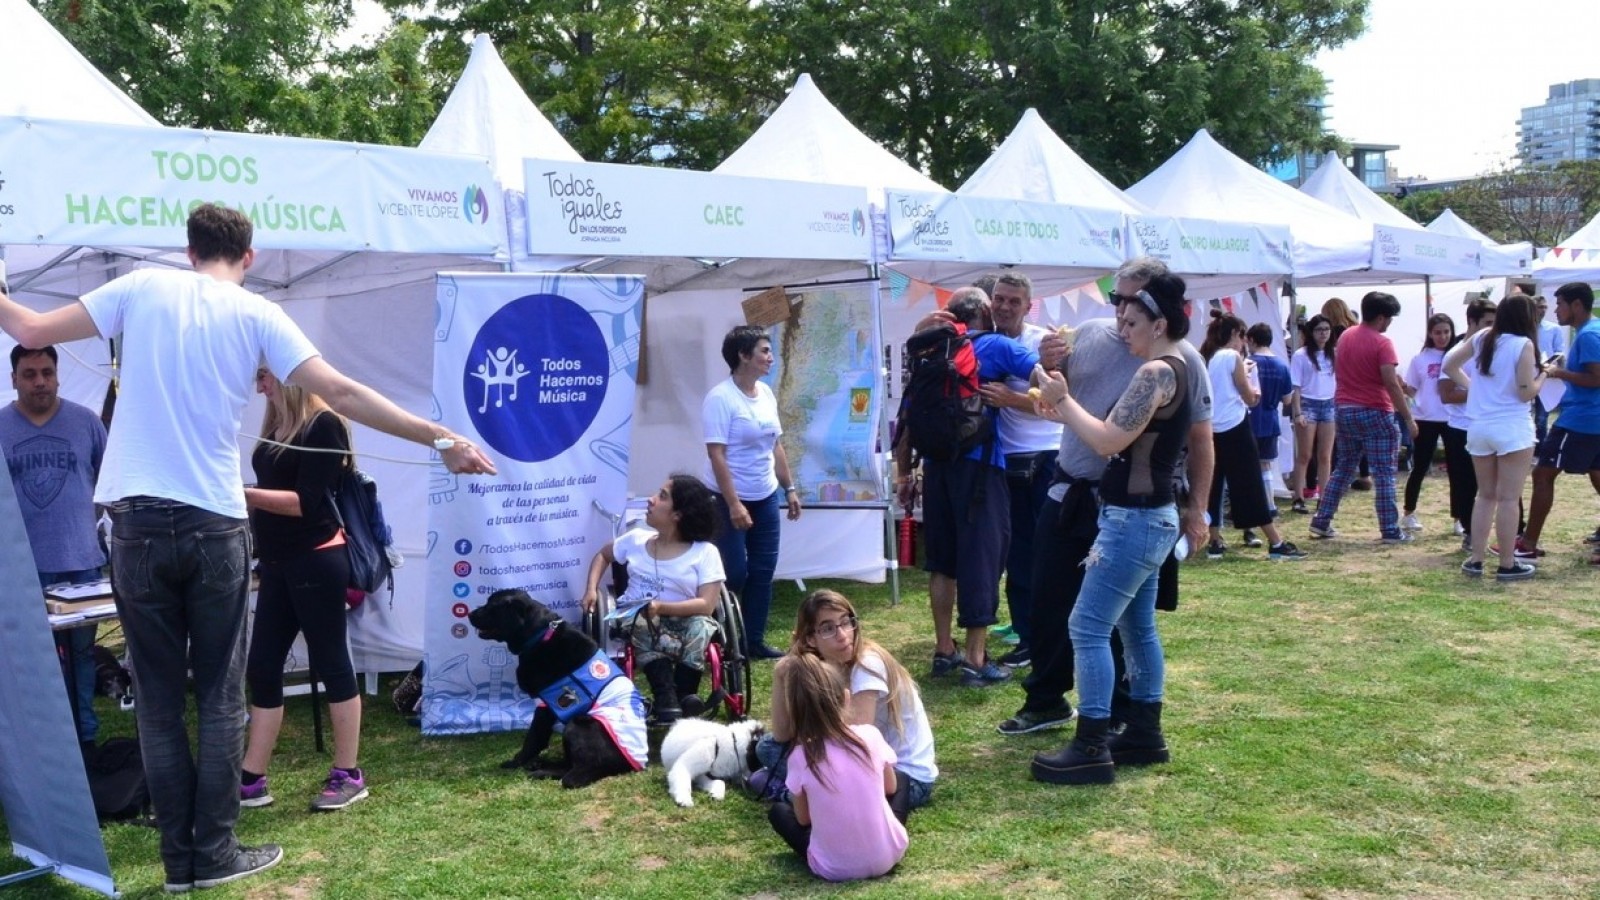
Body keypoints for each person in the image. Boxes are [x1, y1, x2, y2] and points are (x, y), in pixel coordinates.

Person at [0, 203, 496, 893]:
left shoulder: (141, 286)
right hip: (212, 522)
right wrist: (443, 440)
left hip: (138, 523)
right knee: (222, 697)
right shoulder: (259, 314)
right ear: (250, 256)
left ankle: (182, 865)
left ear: (188, 249)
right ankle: (217, 854)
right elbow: (343, 392)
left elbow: (24, 327)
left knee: (160, 701)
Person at [997, 259, 1212, 738]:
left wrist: (1197, 509)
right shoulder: (1101, 337)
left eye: (1132, 306)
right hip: (1079, 491)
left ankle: (1108, 726)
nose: (1120, 314)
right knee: (1060, 605)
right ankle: (1106, 717)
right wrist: (1051, 366)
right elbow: (1052, 401)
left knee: (1100, 625)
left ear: (1158, 316)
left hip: (1130, 509)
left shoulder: (1166, 365)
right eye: (1118, 301)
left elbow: (1118, 440)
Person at [1028, 277, 1194, 786]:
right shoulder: (1179, 366)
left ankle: (1091, 744)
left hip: (1134, 519)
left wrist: (1061, 398)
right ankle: (1144, 731)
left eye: (1131, 323)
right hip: (1148, 516)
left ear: (1158, 325)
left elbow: (1105, 440)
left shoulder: (1156, 371)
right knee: (1136, 628)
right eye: (1120, 321)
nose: (1122, 331)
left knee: (1087, 627)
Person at [896, 287, 1064, 687]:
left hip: (935, 467)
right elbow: (1043, 381)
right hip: (981, 469)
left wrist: (905, 474)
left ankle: (944, 649)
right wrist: (1049, 378)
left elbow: (906, 416)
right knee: (983, 560)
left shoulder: (928, 351)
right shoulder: (996, 345)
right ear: (985, 312)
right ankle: (975, 658)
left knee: (942, 562)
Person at [239, 371, 368, 812]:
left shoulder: (324, 425)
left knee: (331, 661)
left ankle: (348, 773)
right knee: (262, 665)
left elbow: (305, 502)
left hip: (316, 557)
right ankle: (252, 777)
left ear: (285, 376)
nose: (259, 388)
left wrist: (247, 495)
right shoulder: (277, 426)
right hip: (276, 562)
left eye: (264, 378)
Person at [0, 343, 108, 753]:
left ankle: (85, 738)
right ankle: (44, 742)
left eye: (47, 371)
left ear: (57, 373)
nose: (40, 381)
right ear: (13, 379)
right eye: (30, 374)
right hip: (22, 568)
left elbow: (111, 481)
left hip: (82, 564)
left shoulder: (86, 423)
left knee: (82, 656)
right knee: (31, 662)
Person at [762, 590, 936, 821]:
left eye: (846, 622)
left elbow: (854, 738)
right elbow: (783, 735)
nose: (843, 635)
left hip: (905, 780)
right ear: (810, 639)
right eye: (828, 628)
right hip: (860, 763)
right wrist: (781, 674)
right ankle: (799, 790)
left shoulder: (867, 664)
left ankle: (791, 793)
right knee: (768, 747)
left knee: (794, 756)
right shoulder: (826, 667)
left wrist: (807, 741)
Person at [580, 474, 726, 723]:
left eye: (662, 496)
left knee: (702, 627)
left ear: (678, 515)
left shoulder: (705, 553)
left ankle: (684, 696)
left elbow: (707, 604)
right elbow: (603, 555)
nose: (651, 499)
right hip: (638, 615)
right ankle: (665, 697)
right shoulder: (636, 540)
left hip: (687, 617)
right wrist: (591, 588)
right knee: (640, 624)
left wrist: (661, 607)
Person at [974, 272, 1060, 669]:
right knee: (1016, 554)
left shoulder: (1041, 343)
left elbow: (1060, 401)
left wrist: (1011, 398)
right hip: (1004, 463)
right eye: (1000, 299)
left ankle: (1048, 632)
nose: (1005, 306)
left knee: (1046, 552)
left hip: (1045, 458)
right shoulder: (980, 340)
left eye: (1013, 301)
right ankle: (1027, 635)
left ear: (1028, 306)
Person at [703, 326, 801, 660]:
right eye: (763, 350)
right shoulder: (721, 398)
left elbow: (775, 444)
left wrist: (789, 489)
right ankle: (722, 640)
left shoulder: (766, 394)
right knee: (733, 573)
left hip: (765, 496)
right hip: (726, 498)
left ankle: (753, 641)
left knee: (762, 570)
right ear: (743, 356)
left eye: (769, 350)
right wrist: (732, 504)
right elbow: (716, 455)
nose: (770, 357)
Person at [765, 653, 908, 882]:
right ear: (846, 697)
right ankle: (881, 837)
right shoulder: (870, 735)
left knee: (779, 812)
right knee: (902, 779)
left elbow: (803, 820)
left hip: (834, 869)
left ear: (797, 714)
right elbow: (890, 788)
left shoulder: (800, 756)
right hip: (888, 857)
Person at [1443, 295, 1544, 580]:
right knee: (1509, 499)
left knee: (1484, 495)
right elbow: (1526, 391)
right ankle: (1507, 563)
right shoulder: (1523, 344)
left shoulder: (1484, 337)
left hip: (1479, 426)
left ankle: (1476, 559)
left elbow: (1449, 365)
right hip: (1512, 427)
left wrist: (1473, 387)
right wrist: (1545, 374)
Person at [1308, 291, 1419, 544]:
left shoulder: (1347, 335)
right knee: (1384, 473)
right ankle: (1390, 529)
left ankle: (1322, 520)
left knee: (1343, 469)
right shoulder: (1382, 343)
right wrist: (1408, 418)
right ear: (1381, 318)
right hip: (1375, 410)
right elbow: (1391, 384)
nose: (1390, 322)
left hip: (1345, 410)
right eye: (1389, 318)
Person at [1199, 314, 1306, 561]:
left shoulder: (1207, 357)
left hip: (1211, 428)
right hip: (1236, 426)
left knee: (1214, 484)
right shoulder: (1233, 357)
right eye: (1242, 336)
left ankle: (1215, 540)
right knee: (1250, 484)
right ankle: (1276, 542)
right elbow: (1249, 397)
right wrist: (1248, 378)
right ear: (1235, 335)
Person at [1516, 282, 1600, 564]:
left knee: (1542, 475)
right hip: (1591, 418)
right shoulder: (1591, 331)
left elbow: (1596, 378)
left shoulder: (1588, 335)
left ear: (1576, 305)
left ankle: (1528, 543)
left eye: (1560, 304)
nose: (1555, 310)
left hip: (1581, 419)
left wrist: (1559, 373)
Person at [1440, 299, 1496, 549]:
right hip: (1461, 427)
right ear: (1471, 322)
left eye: (1495, 323)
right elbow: (1446, 394)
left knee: (1504, 483)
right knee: (1465, 484)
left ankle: (1516, 532)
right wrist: (1481, 391)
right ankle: (1470, 531)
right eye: (1487, 323)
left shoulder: (1497, 348)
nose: (1492, 328)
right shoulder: (1458, 352)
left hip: (1491, 424)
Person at [1400, 314, 1457, 532]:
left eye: (1446, 331)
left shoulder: (1457, 355)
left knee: (1457, 470)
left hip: (1453, 418)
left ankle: (1458, 517)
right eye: (1437, 332)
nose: (1442, 336)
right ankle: (1409, 512)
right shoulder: (1420, 358)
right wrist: (1401, 386)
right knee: (1420, 467)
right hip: (1426, 417)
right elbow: (1412, 390)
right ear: (1430, 334)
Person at [1246, 323, 1296, 527]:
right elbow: (1287, 400)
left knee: (1247, 466)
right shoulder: (1282, 365)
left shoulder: (1247, 363)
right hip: (1270, 419)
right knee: (1266, 464)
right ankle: (1269, 504)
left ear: (1252, 340)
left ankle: (1251, 505)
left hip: (1249, 419)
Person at [1289, 315, 1337, 514]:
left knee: (1325, 455)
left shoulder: (1334, 353)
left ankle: (1324, 497)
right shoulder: (1301, 355)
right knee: (1305, 454)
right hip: (1308, 404)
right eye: (1319, 329)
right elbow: (1296, 387)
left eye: (1326, 329)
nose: (1323, 333)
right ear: (1311, 332)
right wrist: (1298, 412)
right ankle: (1298, 496)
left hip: (1329, 404)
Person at [1532, 294, 1568, 443]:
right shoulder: (1523, 328)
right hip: (1526, 374)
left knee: (1542, 416)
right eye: (1540, 307)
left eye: (1545, 307)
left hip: (1545, 375)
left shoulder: (1553, 328)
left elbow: (1560, 351)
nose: (1543, 310)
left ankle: (1541, 449)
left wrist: (1559, 371)